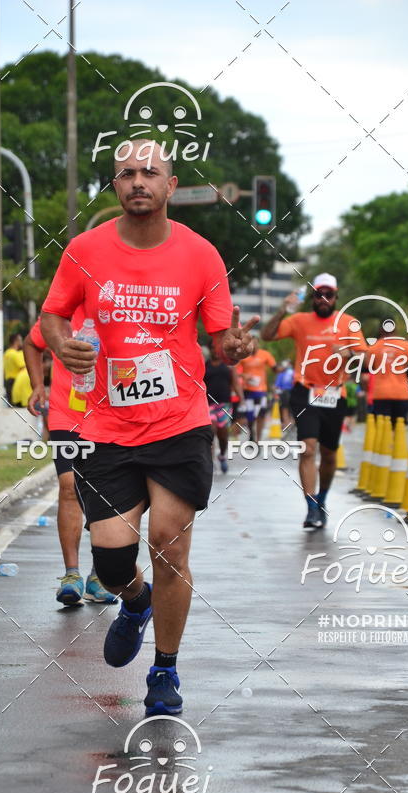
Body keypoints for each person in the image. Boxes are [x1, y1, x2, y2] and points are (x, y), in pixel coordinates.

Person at [40, 139, 256, 716]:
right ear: (115, 186)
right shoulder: (85, 249)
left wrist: (233, 346)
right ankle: (133, 603)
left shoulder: (201, 254)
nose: (138, 181)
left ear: (169, 183)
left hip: (179, 422)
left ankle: (165, 672)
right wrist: (63, 345)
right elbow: (53, 312)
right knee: (112, 563)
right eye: (127, 173)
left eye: (150, 173)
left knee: (169, 545)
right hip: (107, 426)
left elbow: (221, 338)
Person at [261, 273, 367, 529]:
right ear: (313, 297)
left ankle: (322, 499)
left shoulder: (348, 323)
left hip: (335, 395)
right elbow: (266, 335)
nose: (323, 299)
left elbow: (366, 359)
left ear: (335, 297)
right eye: (319, 294)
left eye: (328, 294)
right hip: (305, 391)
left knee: (329, 455)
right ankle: (310, 507)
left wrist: (349, 352)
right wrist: (282, 310)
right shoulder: (298, 320)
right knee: (308, 449)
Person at [24, 319, 117, 606]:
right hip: (66, 413)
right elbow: (32, 342)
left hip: (109, 415)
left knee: (106, 494)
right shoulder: (59, 315)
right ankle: (71, 575)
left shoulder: (116, 306)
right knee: (68, 486)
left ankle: (98, 577)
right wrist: (38, 385)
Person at [368, 319, 408, 423]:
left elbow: (366, 369)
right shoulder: (405, 345)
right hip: (401, 393)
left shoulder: (374, 347)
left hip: (380, 393)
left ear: (381, 330)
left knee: (382, 429)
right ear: (395, 329)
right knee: (399, 429)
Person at [203, 346, 243, 473]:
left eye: (217, 349)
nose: (215, 351)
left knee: (223, 433)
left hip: (224, 404)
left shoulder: (229, 366)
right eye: (213, 348)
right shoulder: (205, 365)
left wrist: (242, 399)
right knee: (211, 429)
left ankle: (222, 455)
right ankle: (210, 460)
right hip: (207, 403)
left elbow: (236, 383)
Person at [238, 344, 277, 440]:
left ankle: (258, 439)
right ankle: (252, 433)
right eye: (251, 345)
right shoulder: (243, 355)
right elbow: (235, 372)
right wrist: (244, 376)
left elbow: (275, 368)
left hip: (261, 391)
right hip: (248, 391)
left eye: (255, 344)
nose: (254, 347)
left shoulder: (265, 354)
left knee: (261, 414)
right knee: (250, 417)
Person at [3, 332, 24, 404]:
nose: (22, 342)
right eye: (21, 340)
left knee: (11, 404)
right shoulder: (15, 354)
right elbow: (23, 368)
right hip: (16, 381)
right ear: (16, 341)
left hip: (8, 381)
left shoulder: (6, 353)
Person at [274, 360, 294, 431]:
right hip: (288, 392)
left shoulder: (284, 374)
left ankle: (287, 423)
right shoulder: (291, 373)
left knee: (285, 408)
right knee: (288, 408)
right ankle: (289, 423)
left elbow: (277, 386)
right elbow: (277, 386)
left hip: (286, 392)